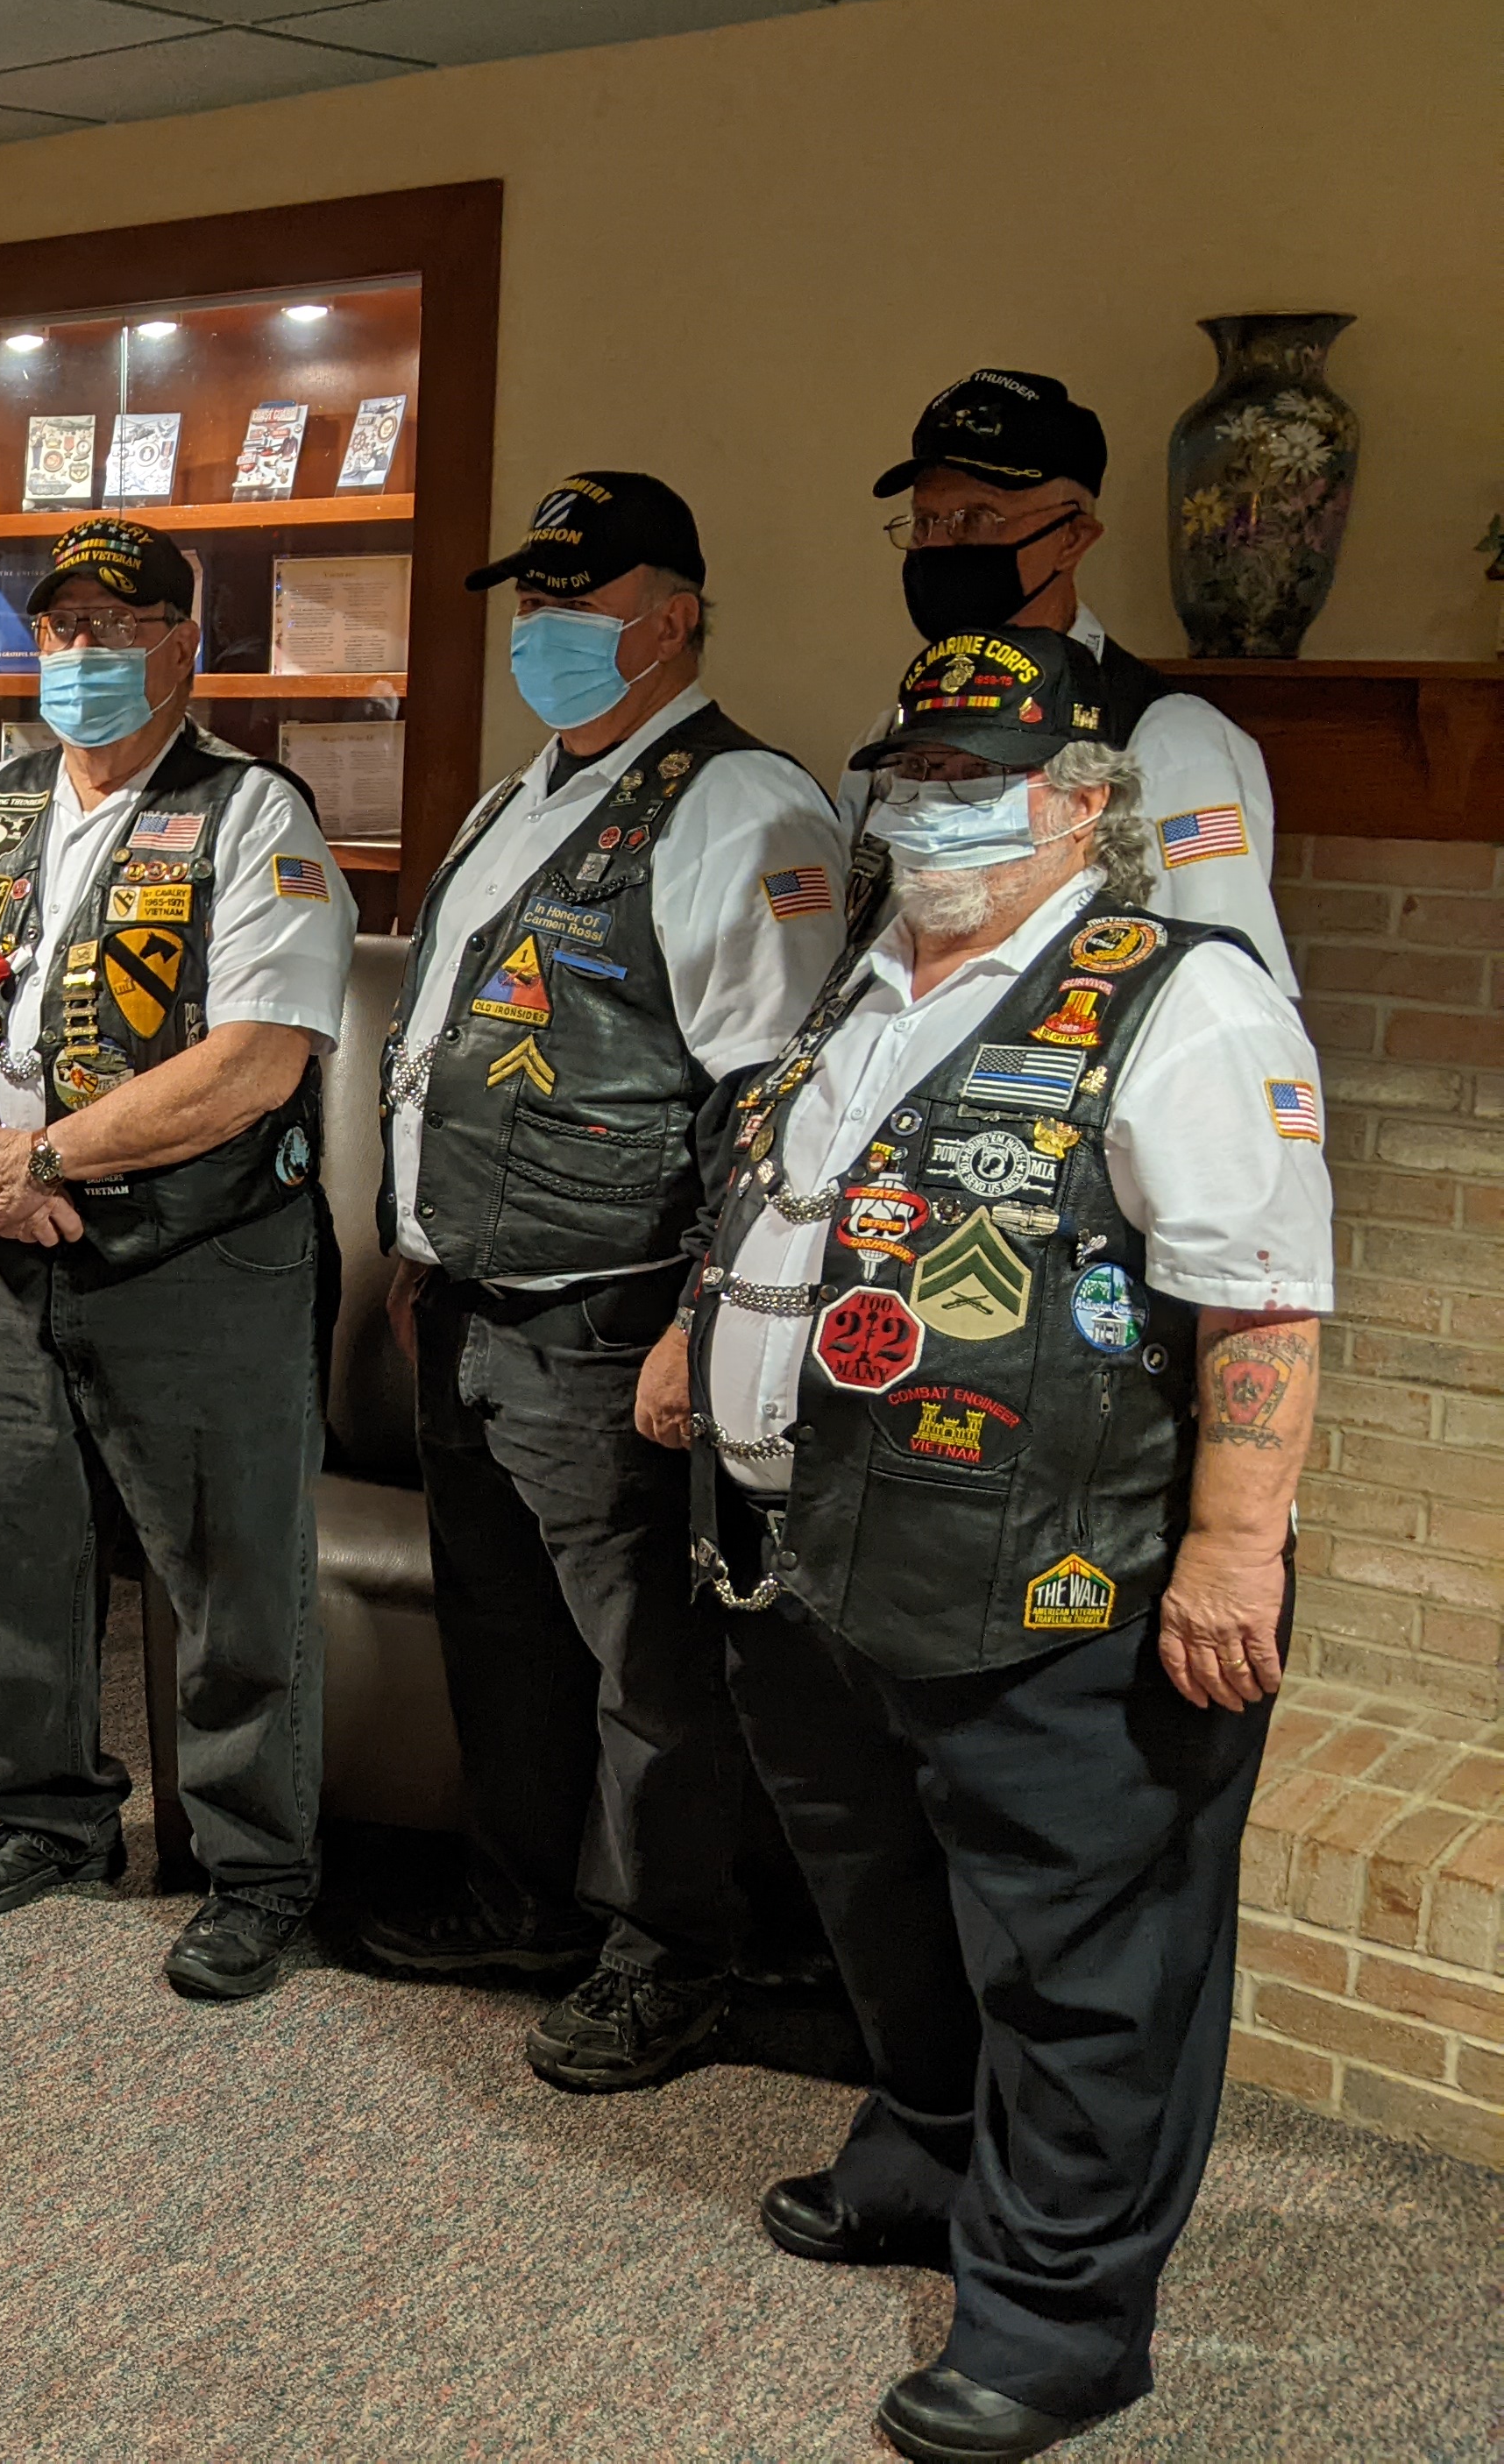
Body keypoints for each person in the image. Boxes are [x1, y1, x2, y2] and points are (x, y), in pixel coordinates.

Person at [662, 626, 1328, 2463]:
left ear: (1085, 805)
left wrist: (1234, 1552)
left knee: (1082, 1964)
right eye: (913, 771)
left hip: (1059, 1569)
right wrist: (693, 1336)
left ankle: (1057, 2319)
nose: (931, 805)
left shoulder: (1182, 997)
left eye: (981, 776)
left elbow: (1260, 1301)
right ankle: (926, 2155)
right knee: (884, 1907)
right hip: (821, 1549)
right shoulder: (872, 974)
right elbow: (787, 1188)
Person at [356, 472, 849, 2092]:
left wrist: (701, 1323)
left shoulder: (738, 805)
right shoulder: (527, 794)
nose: (545, 628)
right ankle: (521, 1901)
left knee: (651, 1665)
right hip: (470, 1304)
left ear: (673, 618)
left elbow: (770, 1104)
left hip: (607, 1315)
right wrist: (416, 1246)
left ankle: (671, 1955)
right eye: (534, 600)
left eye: (579, 600)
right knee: (506, 1636)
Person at [0, 515, 355, 2002]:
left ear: (180, 645)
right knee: (7, 1543)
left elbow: (257, 1061)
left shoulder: (253, 812)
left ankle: (254, 1869)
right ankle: (50, 1813)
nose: (81, 652)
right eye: (61, 626)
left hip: (198, 1251)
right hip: (7, 1241)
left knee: (227, 1573)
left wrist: (49, 1158)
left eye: (116, 626)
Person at [856, 368, 1293, 988]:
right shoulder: (892, 733)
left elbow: (1220, 982)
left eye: (978, 518)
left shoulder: (1168, 739)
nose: (943, 546)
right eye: (926, 522)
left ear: (1072, 538)